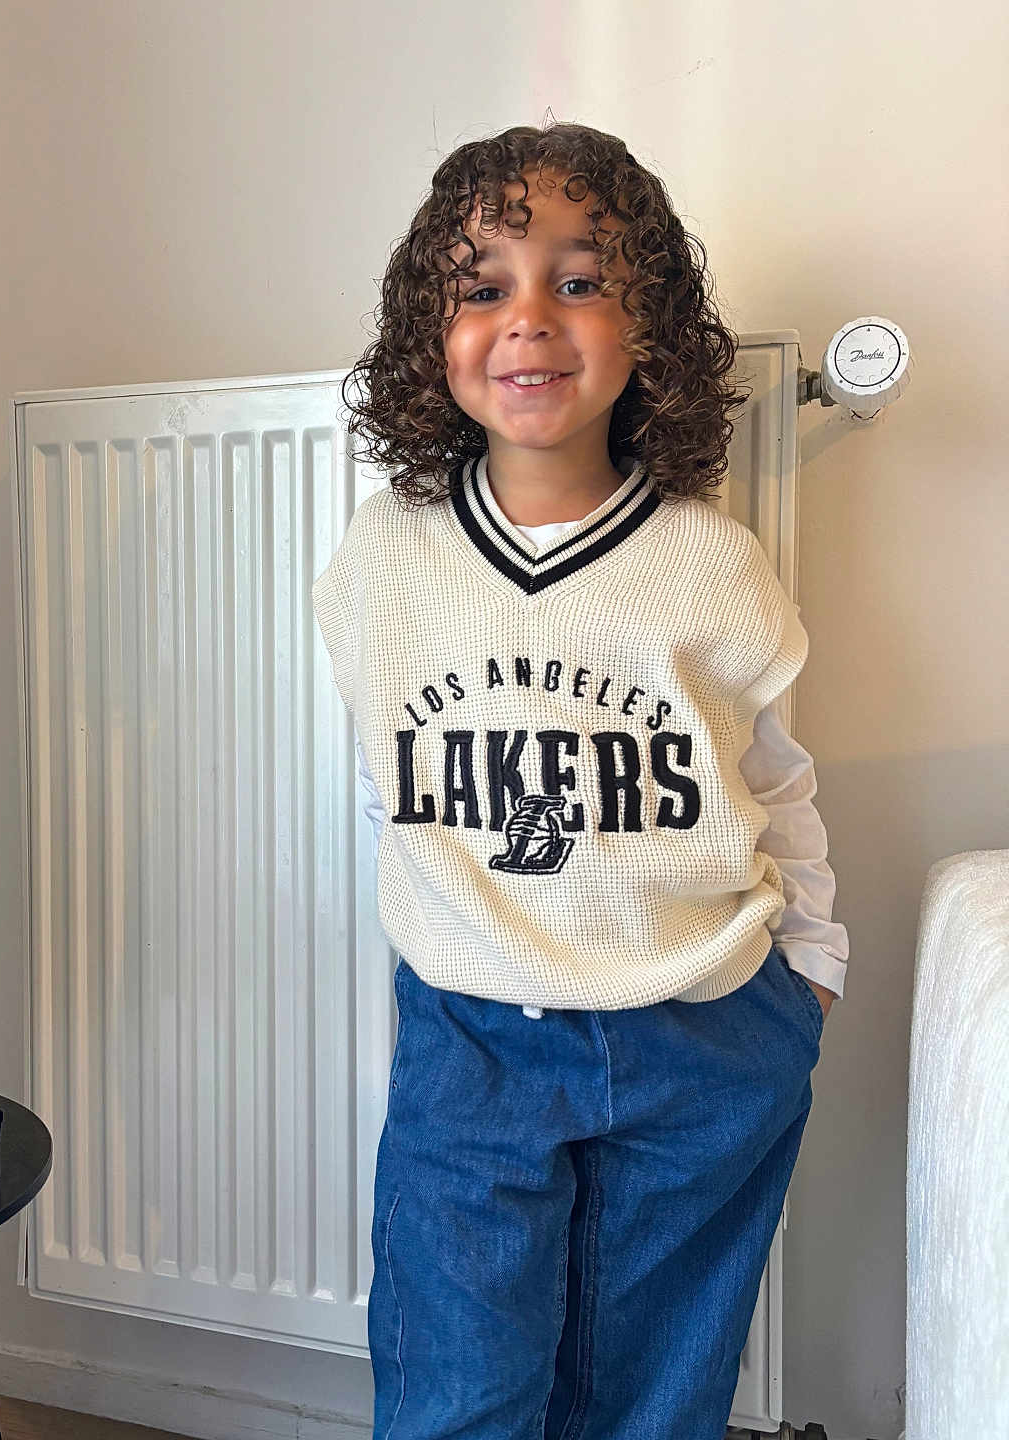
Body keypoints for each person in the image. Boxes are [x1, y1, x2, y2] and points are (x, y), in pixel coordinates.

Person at [311, 121, 849, 1440]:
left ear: (648, 321)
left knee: (652, 1403)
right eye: (483, 285)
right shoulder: (387, 557)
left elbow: (773, 780)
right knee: (455, 1396)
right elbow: (392, 770)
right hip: (476, 1044)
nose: (530, 320)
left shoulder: (711, 562)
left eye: (581, 278)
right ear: (428, 330)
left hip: (705, 1030)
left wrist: (813, 961)